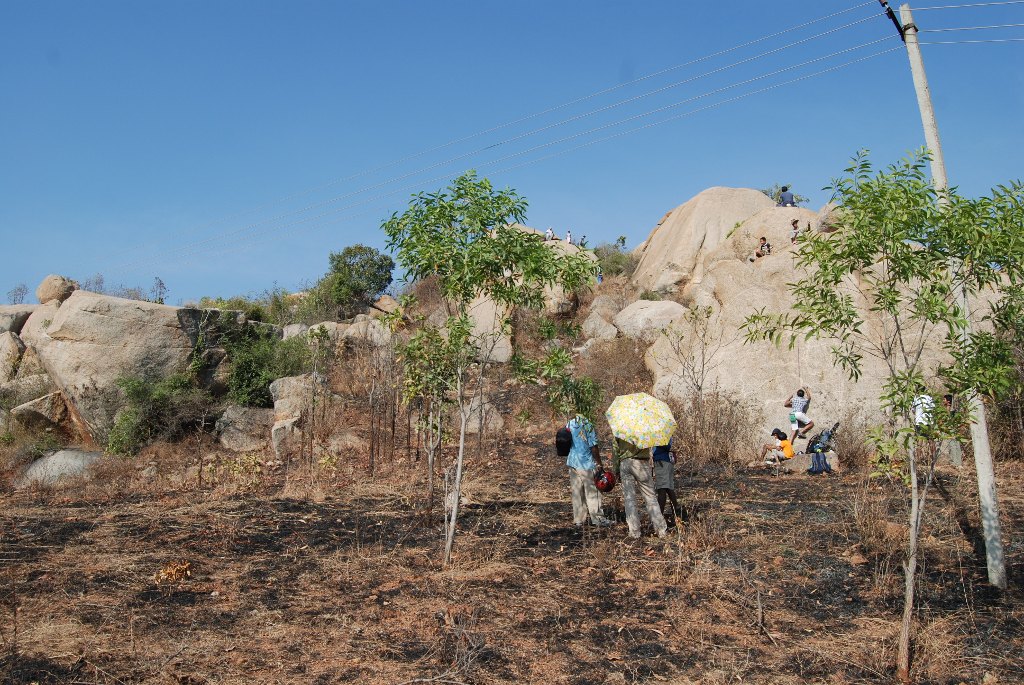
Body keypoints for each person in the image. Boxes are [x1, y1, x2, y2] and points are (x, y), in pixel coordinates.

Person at [614, 438, 668, 539]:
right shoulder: (644, 425)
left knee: (629, 499)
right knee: (650, 497)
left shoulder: (620, 426)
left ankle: (634, 532)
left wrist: (616, 468)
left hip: (625, 463)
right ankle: (661, 530)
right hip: (642, 463)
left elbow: (615, 447)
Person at [565, 415, 612, 528]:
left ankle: (578, 520)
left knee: (577, 492)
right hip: (586, 463)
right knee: (593, 492)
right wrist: (599, 464)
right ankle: (598, 519)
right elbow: (593, 446)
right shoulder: (587, 425)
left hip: (572, 462)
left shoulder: (570, 423)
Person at [652, 441, 688, 528]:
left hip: (662, 461)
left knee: (662, 489)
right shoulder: (665, 430)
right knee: (668, 488)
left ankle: (659, 519)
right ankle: (678, 515)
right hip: (666, 461)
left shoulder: (660, 432)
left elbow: (666, 445)